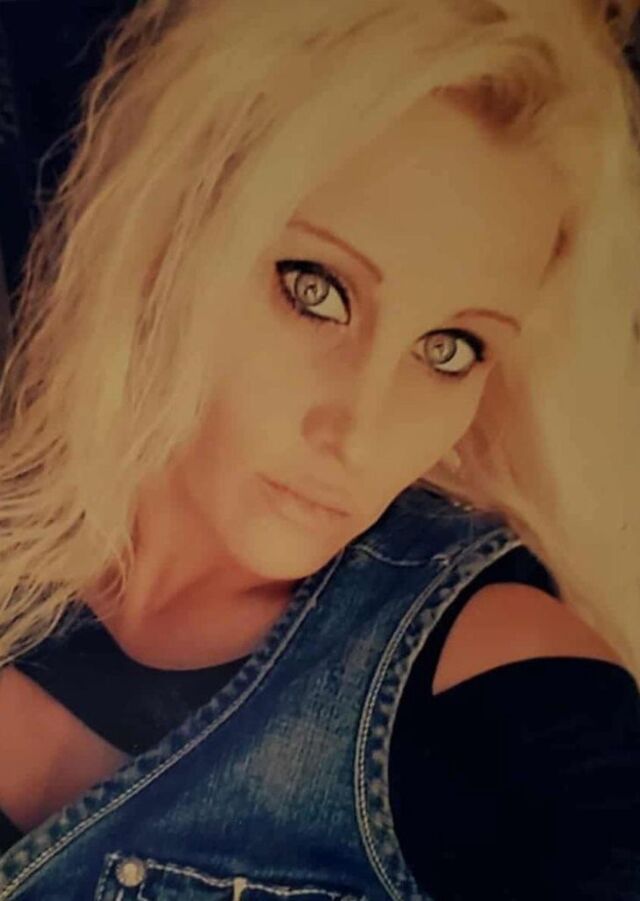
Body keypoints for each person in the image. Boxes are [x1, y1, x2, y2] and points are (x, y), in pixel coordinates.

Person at [0, 0, 638, 897]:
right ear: (175, 235)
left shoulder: (497, 673)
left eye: (449, 347)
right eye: (317, 290)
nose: (360, 429)